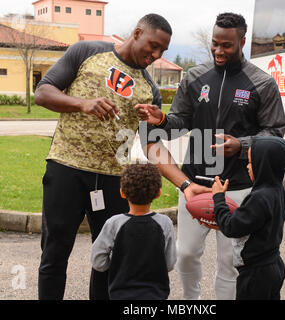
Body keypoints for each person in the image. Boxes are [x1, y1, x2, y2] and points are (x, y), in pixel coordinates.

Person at [136, 12, 285, 299]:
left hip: (238, 188)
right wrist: (162, 121)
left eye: (226, 45)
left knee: (229, 262)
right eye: (215, 44)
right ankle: (192, 302)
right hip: (195, 183)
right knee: (186, 254)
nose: (219, 51)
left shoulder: (262, 83)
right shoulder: (194, 77)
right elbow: (181, 120)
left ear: (242, 41)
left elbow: (275, 132)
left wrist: (241, 145)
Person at [34, 13, 172, 300]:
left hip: (112, 181)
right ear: (137, 33)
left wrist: (183, 182)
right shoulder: (87, 52)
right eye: (153, 45)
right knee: (55, 252)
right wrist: (82, 104)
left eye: (163, 51)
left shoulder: (150, 89)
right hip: (66, 168)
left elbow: (152, 146)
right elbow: (44, 93)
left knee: (109, 257)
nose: (156, 55)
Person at [212, 136, 285, 300]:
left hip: (256, 274)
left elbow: (231, 227)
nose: (247, 167)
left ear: (263, 165)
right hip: (274, 265)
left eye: (250, 162)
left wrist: (219, 198)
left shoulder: (259, 198)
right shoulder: (277, 191)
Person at [91, 162, 176, 300]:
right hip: (156, 294)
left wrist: (116, 264)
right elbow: (170, 263)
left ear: (122, 193)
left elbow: (98, 261)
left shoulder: (114, 223)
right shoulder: (164, 223)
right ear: (158, 193)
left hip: (120, 293)